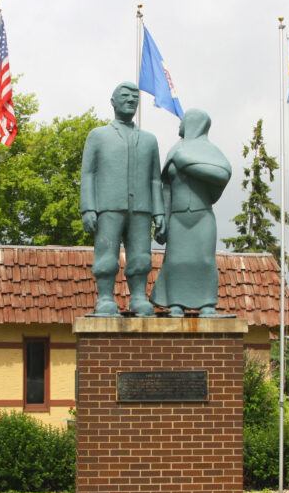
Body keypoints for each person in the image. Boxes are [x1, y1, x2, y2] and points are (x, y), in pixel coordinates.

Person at [80, 82, 163, 317]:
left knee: (141, 256)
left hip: (141, 208)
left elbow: (155, 180)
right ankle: (105, 297)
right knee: (106, 254)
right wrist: (88, 208)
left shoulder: (149, 140)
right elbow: (88, 174)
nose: (131, 100)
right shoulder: (98, 136)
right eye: (125, 96)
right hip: (109, 206)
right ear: (113, 102)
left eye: (135, 97)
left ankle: (138, 297)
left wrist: (159, 213)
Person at [150, 108, 231, 317]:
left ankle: (206, 304)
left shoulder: (211, 151)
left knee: (204, 260)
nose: (179, 127)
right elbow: (166, 188)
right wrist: (163, 220)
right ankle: (175, 303)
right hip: (177, 216)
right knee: (176, 260)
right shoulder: (174, 149)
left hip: (202, 215)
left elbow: (223, 173)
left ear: (195, 123)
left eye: (183, 122)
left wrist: (188, 164)